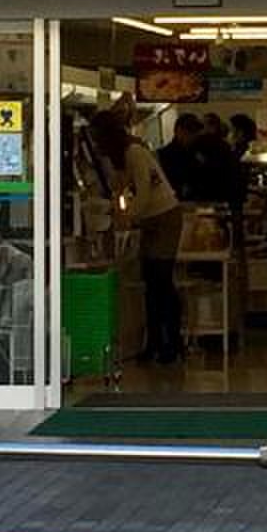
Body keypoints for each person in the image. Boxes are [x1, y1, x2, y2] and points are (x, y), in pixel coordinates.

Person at [90, 110, 183, 365]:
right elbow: (121, 186)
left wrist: (125, 217)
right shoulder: (127, 154)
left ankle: (171, 343)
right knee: (153, 283)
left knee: (160, 282)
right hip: (156, 219)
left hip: (164, 219)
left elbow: (142, 193)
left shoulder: (135, 153)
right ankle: (157, 343)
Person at [156, 112, 203, 200]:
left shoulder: (198, 151)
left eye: (196, 131)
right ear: (178, 131)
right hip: (175, 201)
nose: (194, 135)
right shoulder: (165, 154)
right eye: (190, 130)